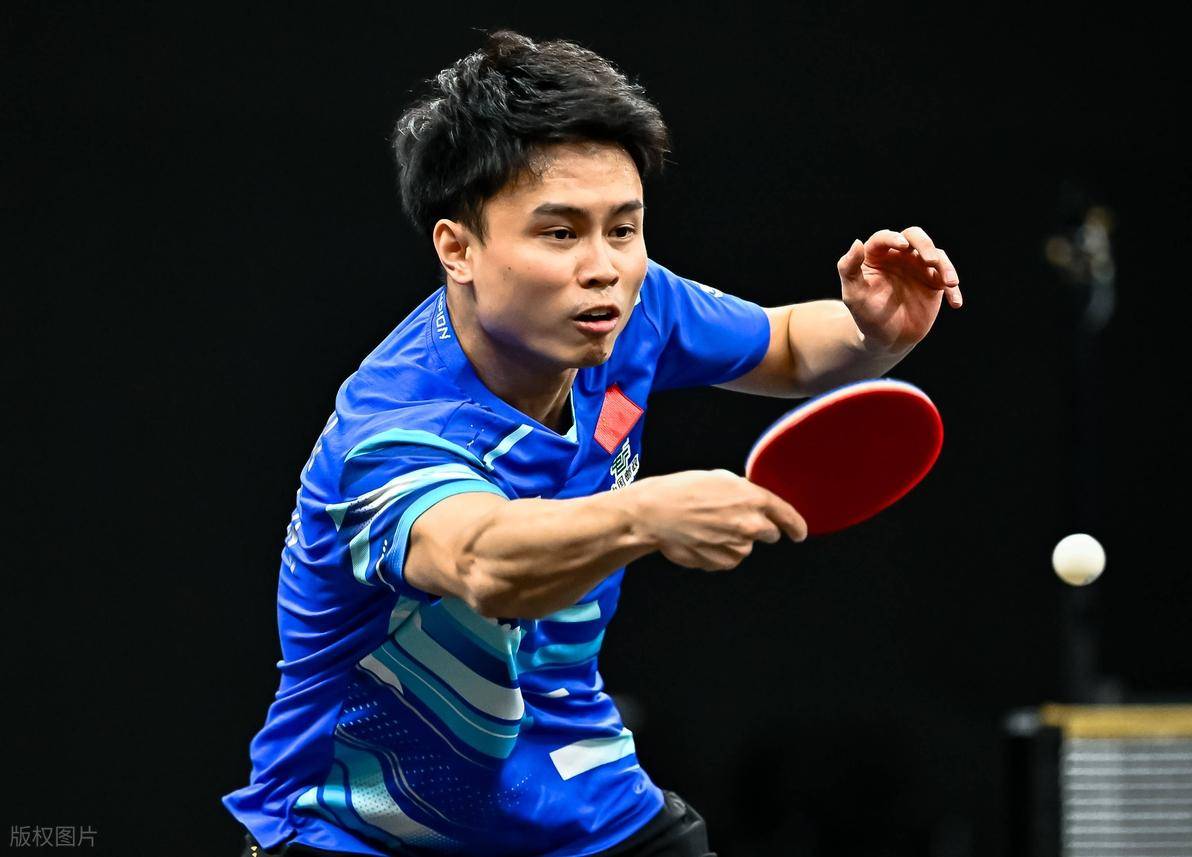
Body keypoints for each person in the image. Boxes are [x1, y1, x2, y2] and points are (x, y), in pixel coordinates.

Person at [223, 29, 962, 857]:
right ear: (457, 248)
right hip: (368, 824)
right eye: (560, 233)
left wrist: (871, 333)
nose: (604, 265)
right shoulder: (394, 430)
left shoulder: (632, 312)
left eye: (624, 228)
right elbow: (485, 562)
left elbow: (787, 344)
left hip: (579, 789)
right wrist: (644, 516)